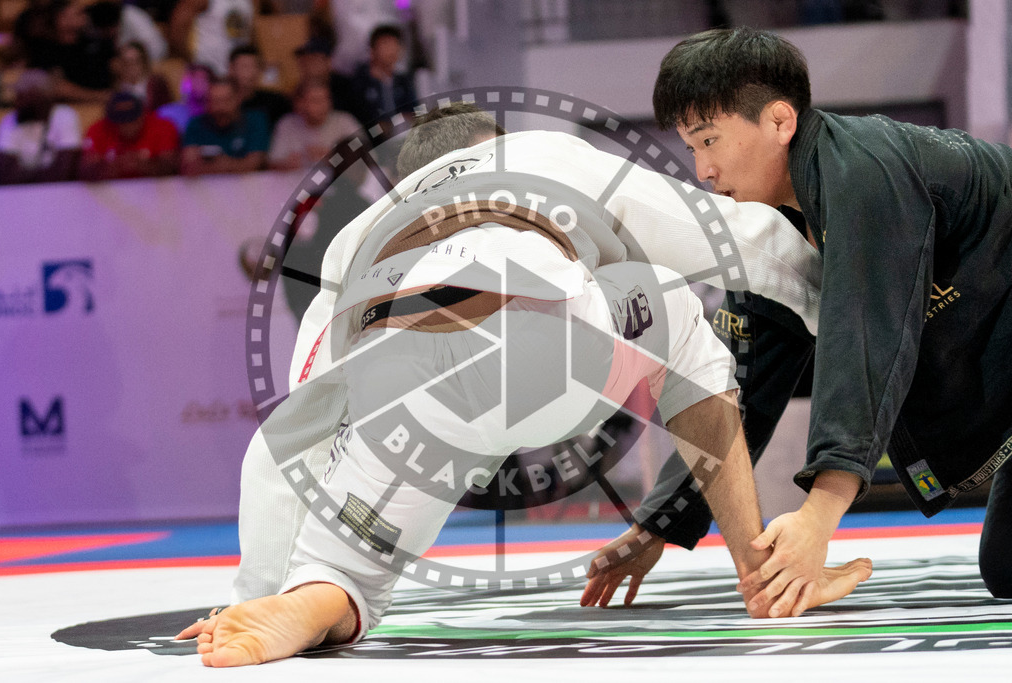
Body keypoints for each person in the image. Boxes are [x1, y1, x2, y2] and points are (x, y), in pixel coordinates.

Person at [175, 104, 870, 667]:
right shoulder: (539, 153)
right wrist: (842, 307)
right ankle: (758, 572)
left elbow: (295, 430)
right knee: (678, 310)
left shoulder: (357, 236)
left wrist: (254, 589)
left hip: (401, 381)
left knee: (345, 573)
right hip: (544, 342)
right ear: (493, 143)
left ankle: (306, 598)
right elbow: (731, 236)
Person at [590, 26, 1012, 619]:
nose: (703, 169)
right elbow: (739, 383)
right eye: (690, 147)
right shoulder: (770, 232)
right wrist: (659, 522)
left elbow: (865, 337)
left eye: (709, 140)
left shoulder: (866, 170)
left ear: (780, 121)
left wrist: (818, 516)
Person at [0, 69, 81, 184]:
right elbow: (6, 175)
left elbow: (65, 171)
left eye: (22, 97)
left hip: (58, 190)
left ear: (40, 97)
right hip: (19, 192)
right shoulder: (10, 120)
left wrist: (25, 176)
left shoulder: (64, 115)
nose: (17, 103)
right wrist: (46, 174)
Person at [79, 91, 179, 180]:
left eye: (132, 120)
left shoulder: (162, 127)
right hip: (110, 191)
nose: (126, 126)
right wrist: (115, 167)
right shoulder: (98, 129)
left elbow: (172, 167)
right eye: (120, 121)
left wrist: (144, 165)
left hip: (158, 191)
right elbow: (85, 171)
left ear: (143, 115)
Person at [267, 79, 360, 171]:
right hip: (296, 179)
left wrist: (331, 157)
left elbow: (363, 156)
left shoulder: (345, 121)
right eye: (316, 100)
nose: (324, 105)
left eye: (326, 99)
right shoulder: (287, 123)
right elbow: (272, 163)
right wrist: (286, 164)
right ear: (300, 103)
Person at [180, 76, 268, 175]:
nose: (221, 107)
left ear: (238, 98)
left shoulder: (255, 120)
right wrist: (233, 165)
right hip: (207, 184)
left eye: (226, 100)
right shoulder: (196, 124)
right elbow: (189, 167)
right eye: (215, 101)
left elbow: (254, 164)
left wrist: (213, 166)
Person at [341, 24, 416, 129]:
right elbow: (359, 116)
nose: (392, 49)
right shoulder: (359, 81)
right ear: (372, 49)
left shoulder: (403, 81)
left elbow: (414, 111)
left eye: (395, 44)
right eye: (386, 44)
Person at [168, 0, 253, 76]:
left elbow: (250, 33)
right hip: (205, 71)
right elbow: (177, 31)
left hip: (238, 74)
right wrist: (190, 61)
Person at [228, 44, 292, 131]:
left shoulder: (276, 102)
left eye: (255, 66)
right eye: (244, 66)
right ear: (231, 69)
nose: (251, 72)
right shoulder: (221, 102)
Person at [112, 40, 173, 111]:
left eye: (135, 62)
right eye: (126, 63)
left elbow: (167, 110)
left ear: (143, 62)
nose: (131, 67)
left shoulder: (157, 84)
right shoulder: (117, 88)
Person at [156, 62, 214, 135]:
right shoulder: (166, 113)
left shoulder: (218, 116)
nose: (198, 83)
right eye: (194, 78)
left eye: (203, 79)